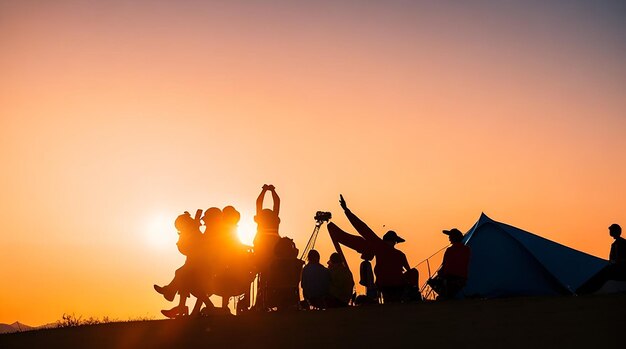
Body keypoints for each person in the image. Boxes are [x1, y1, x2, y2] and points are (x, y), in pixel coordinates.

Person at [337, 195, 411, 303]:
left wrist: (346, 210)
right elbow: (409, 271)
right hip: (397, 285)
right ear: (394, 242)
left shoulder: (379, 247)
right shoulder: (399, 254)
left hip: (384, 284)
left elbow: (363, 228)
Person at [429, 228, 471, 300]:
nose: (449, 238)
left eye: (450, 236)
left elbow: (445, 265)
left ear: (453, 238)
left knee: (432, 281)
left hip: (450, 278)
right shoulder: (467, 249)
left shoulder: (450, 250)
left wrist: (441, 273)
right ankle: (447, 294)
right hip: (463, 278)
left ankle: (445, 295)